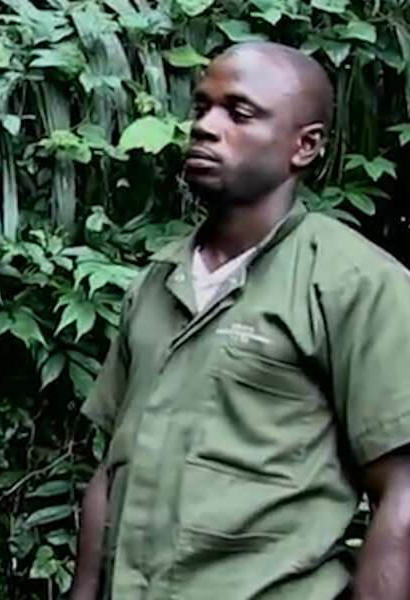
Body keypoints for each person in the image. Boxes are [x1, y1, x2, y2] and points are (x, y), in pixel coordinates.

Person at [71, 42, 410, 600]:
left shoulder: (352, 282)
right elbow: (111, 471)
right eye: (201, 107)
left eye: (239, 112)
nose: (205, 126)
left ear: (305, 146)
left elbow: (402, 488)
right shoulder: (157, 283)